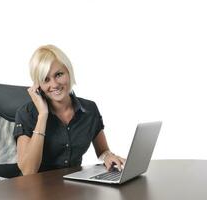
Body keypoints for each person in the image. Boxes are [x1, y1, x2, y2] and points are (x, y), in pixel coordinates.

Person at [13, 44, 125, 175]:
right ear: (38, 85)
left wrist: (108, 156)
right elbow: (28, 171)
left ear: (69, 72)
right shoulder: (26, 113)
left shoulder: (89, 110)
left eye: (59, 74)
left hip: (74, 187)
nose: (54, 84)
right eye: (45, 79)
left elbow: (103, 151)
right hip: (36, 190)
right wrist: (43, 115)